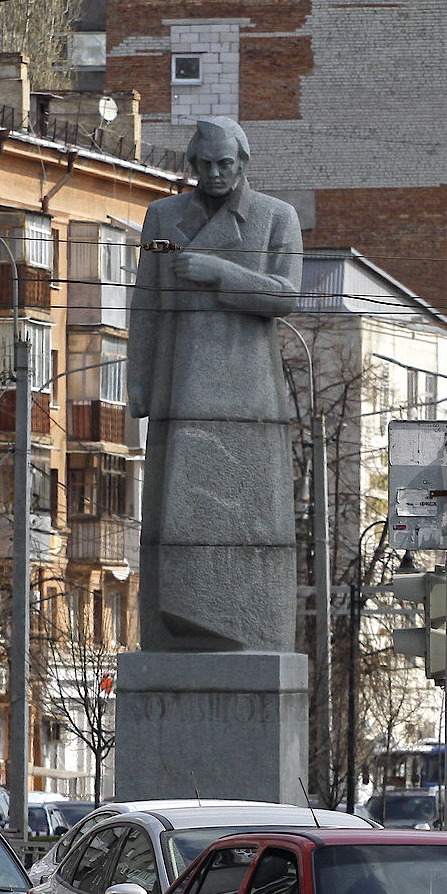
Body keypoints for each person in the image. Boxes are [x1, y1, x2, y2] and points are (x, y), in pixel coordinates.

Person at [127, 116, 304, 653]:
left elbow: (284, 295)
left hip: (247, 392)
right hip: (181, 389)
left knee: (241, 512)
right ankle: (184, 617)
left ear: (243, 162)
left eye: (225, 164)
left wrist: (219, 274)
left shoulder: (277, 217)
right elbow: (148, 304)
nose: (215, 173)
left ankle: (233, 620)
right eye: (204, 165)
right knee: (179, 512)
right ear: (192, 165)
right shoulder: (163, 216)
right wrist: (142, 390)